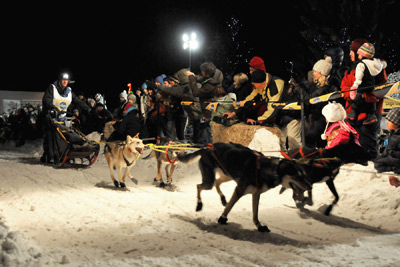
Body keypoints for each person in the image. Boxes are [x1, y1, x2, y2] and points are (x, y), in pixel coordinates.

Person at [341, 38, 387, 160]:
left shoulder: (377, 70)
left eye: (352, 51)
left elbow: (382, 90)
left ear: (359, 53)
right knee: (352, 150)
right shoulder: (350, 70)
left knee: (368, 150)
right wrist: (351, 94)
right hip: (351, 115)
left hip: (369, 116)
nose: (350, 54)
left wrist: (365, 96)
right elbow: (343, 88)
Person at [41, 73, 89, 164]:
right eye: (63, 80)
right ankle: (51, 156)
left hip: (63, 117)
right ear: (59, 80)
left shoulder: (69, 91)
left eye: (66, 80)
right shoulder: (52, 88)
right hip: (51, 117)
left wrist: (88, 108)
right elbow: (46, 100)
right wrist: (54, 108)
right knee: (52, 136)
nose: (64, 82)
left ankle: (66, 154)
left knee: (67, 134)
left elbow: (77, 101)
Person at [347, 42, 387, 125]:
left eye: (359, 54)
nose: (358, 56)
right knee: (370, 104)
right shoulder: (377, 65)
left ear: (363, 55)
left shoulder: (361, 65)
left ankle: (353, 114)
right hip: (371, 88)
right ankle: (371, 116)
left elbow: (358, 78)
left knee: (356, 100)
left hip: (362, 87)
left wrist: (354, 87)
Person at [187, 62, 223, 144]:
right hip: (208, 106)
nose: (201, 72)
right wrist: (195, 76)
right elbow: (204, 79)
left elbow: (196, 93)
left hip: (208, 107)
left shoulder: (209, 86)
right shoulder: (215, 75)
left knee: (207, 127)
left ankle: (207, 145)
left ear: (208, 73)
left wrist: (192, 78)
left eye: (202, 71)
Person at [304, 56, 336, 148]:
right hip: (317, 117)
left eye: (315, 71)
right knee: (320, 142)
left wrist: (299, 88)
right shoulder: (317, 86)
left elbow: (309, 99)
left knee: (310, 139)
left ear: (321, 73)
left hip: (322, 119)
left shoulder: (324, 88)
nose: (313, 73)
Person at [374, 108, 400, 174]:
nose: (387, 122)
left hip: (396, 159)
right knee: (377, 160)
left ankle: (395, 169)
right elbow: (388, 147)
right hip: (391, 156)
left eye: (390, 120)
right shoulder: (392, 133)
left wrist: (392, 153)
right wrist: (383, 155)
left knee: (378, 164)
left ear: (396, 122)